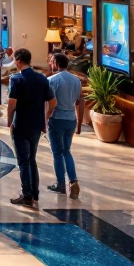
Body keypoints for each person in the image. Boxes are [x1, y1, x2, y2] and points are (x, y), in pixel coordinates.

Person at [7, 48, 55, 207]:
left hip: (21, 124)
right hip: (37, 124)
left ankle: (26, 194)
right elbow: (52, 102)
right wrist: (46, 117)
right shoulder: (42, 78)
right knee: (32, 159)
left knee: (23, 161)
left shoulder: (16, 79)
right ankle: (34, 193)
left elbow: (12, 104)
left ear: (19, 60)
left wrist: (9, 121)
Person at [46, 53, 83, 198]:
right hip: (71, 120)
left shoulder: (52, 80)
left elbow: (50, 104)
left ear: (55, 63)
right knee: (67, 151)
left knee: (57, 153)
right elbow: (80, 102)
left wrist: (45, 120)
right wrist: (79, 124)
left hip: (57, 119)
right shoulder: (76, 81)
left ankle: (61, 183)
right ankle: (73, 181)